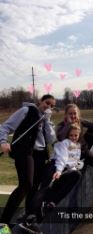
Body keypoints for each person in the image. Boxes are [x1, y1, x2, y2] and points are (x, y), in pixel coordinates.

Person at [0, 94, 56, 224]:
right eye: (47, 103)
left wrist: (46, 121)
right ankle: (3, 224)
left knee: (34, 187)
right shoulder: (27, 110)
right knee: (26, 185)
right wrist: (3, 141)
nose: (49, 107)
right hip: (24, 152)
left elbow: (51, 139)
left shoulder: (46, 118)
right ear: (40, 101)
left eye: (52, 106)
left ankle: (29, 217)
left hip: (40, 155)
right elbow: (4, 127)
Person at [19, 124, 82, 234]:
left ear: (79, 135)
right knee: (44, 189)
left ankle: (52, 203)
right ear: (68, 135)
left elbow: (73, 161)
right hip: (54, 167)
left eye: (76, 135)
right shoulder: (64, 144)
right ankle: (29, 217)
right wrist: (58, 171)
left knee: (77, 175)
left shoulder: (78, 146)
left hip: (64, 169)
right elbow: (62, 159)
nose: (73, 137)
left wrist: (77, 165)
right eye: (71, 135)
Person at [56, 103, 93, 213]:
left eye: (75, 113)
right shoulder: (60, 126)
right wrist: (69, 124)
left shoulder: (80, 122)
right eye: (70, 114)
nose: (73, 116)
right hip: (72, 156)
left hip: (84, 152)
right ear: (65, 115)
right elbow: (60, 138)